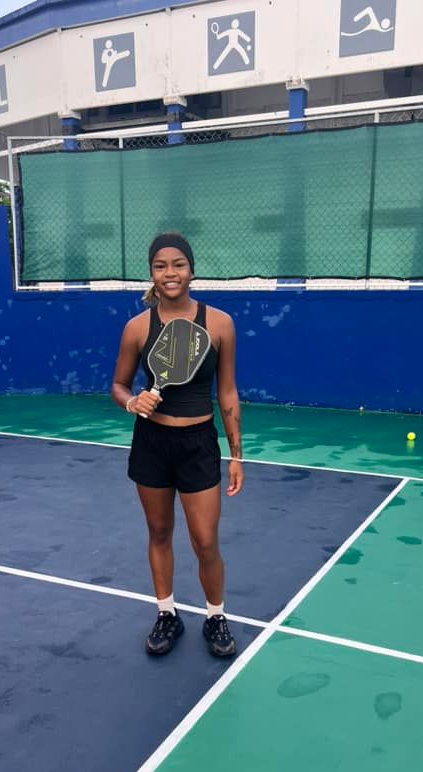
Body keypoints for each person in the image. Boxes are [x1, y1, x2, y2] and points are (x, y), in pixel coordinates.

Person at [111, 233, 243, 657]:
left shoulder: (219, 323)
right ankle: (167, 613)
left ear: (191, 269)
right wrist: (132, 400)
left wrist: (236, 453)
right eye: (160, 266)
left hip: (198, 443)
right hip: (151, 442)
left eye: (178, 264)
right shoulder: (137, 328)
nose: (170, 273)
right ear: (152, 272)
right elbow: (117, 384)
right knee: (160, 531)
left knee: (205, 540)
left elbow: (227, 393)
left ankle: (216, 616)